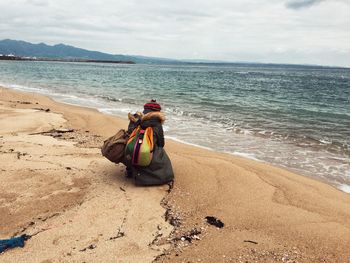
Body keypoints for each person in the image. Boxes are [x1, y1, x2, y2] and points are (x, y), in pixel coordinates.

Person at [125, 99, 174, 186]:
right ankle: (150, 177)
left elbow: (129, 133)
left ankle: (131, 171)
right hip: (147, 155)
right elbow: (161, 143)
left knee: (130, 145)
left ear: (145, 110)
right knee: (159, 151)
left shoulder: (135, 118)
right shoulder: (157, 123)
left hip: (132, 153)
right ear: (157, 112)